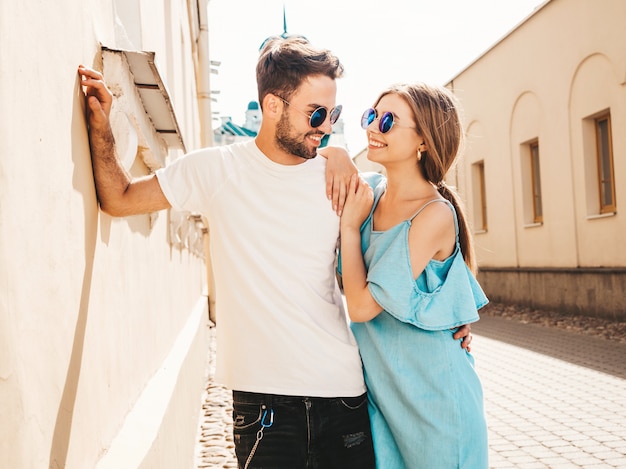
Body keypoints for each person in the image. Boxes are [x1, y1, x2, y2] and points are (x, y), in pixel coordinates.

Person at [78, 36, 471, 468]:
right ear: (272, 107)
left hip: (344, 398)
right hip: (263, 408)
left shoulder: (345, 181)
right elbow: (119, 198)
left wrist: (458, 317)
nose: (326, 127)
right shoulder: (214, 170)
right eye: (316, 114)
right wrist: (103, 128)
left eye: (333, 115)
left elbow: (417, 233)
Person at [338, 82, 489, 468]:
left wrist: (350, 230)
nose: (373, 127)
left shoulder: (434, 214)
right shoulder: (368, 191)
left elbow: (361, 307)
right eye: (371, 115)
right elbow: (303, 165)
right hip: (384, 398)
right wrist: (336, 153)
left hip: (436, 401)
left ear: (424, 140)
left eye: (388, 120)